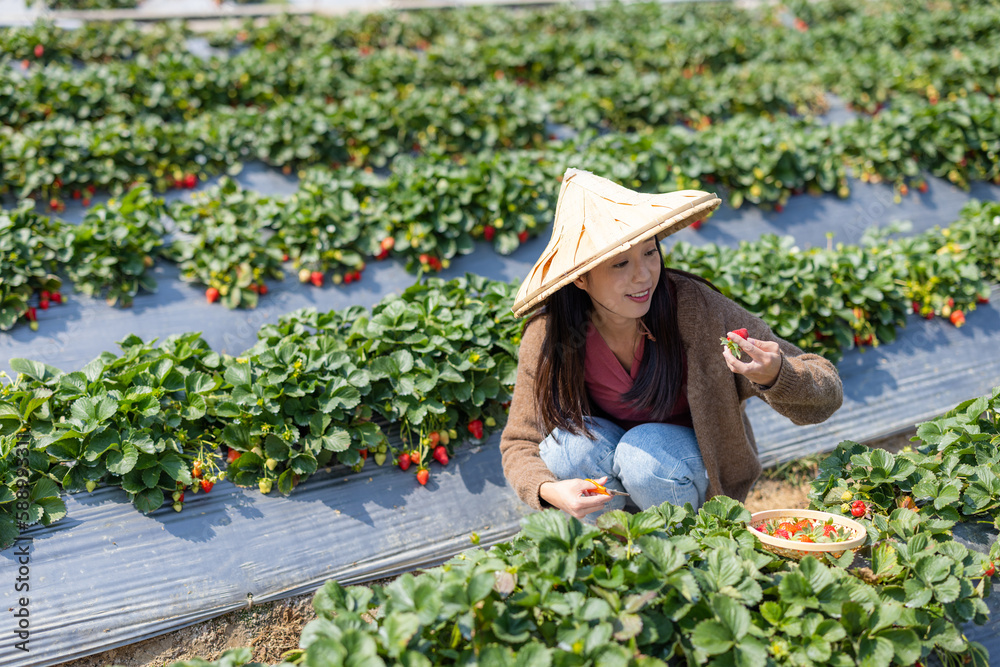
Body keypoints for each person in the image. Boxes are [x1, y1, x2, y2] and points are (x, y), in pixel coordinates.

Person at [500, 168, 843, 519]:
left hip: (684, 472)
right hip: (613, 473)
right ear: (580, 278)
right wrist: (548, 488)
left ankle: (686, 542)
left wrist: (776, 374)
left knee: (642, 454)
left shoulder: (697, 313)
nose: (643, 275)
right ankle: (619, 540)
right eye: (621, 263)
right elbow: (519, 442)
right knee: (566, 451)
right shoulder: (552, 335)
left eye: (650, 252)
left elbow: (826, 393)